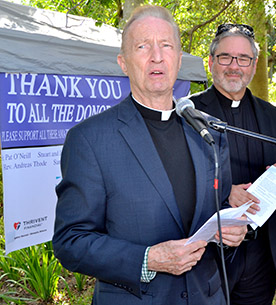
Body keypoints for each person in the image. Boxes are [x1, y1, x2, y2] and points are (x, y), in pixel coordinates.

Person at [52, 6, 247, 305]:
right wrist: (148, 259)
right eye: (143, 46)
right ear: (123, 63)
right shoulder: (90, 139)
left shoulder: (209, 132)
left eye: (166, 46)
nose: (157, 56)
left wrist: (229, 231)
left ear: (179, 60)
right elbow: (71, 241)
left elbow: (217, 209)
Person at [189, 23, 276, 305]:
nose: (234, 66)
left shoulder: (275, 118)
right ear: (212, 62)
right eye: (225, 57)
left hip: (262, 255)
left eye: (243, 59)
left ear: (253, 66)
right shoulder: (188, 114)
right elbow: (175, 184)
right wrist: (225, 192)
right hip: (208, 255)